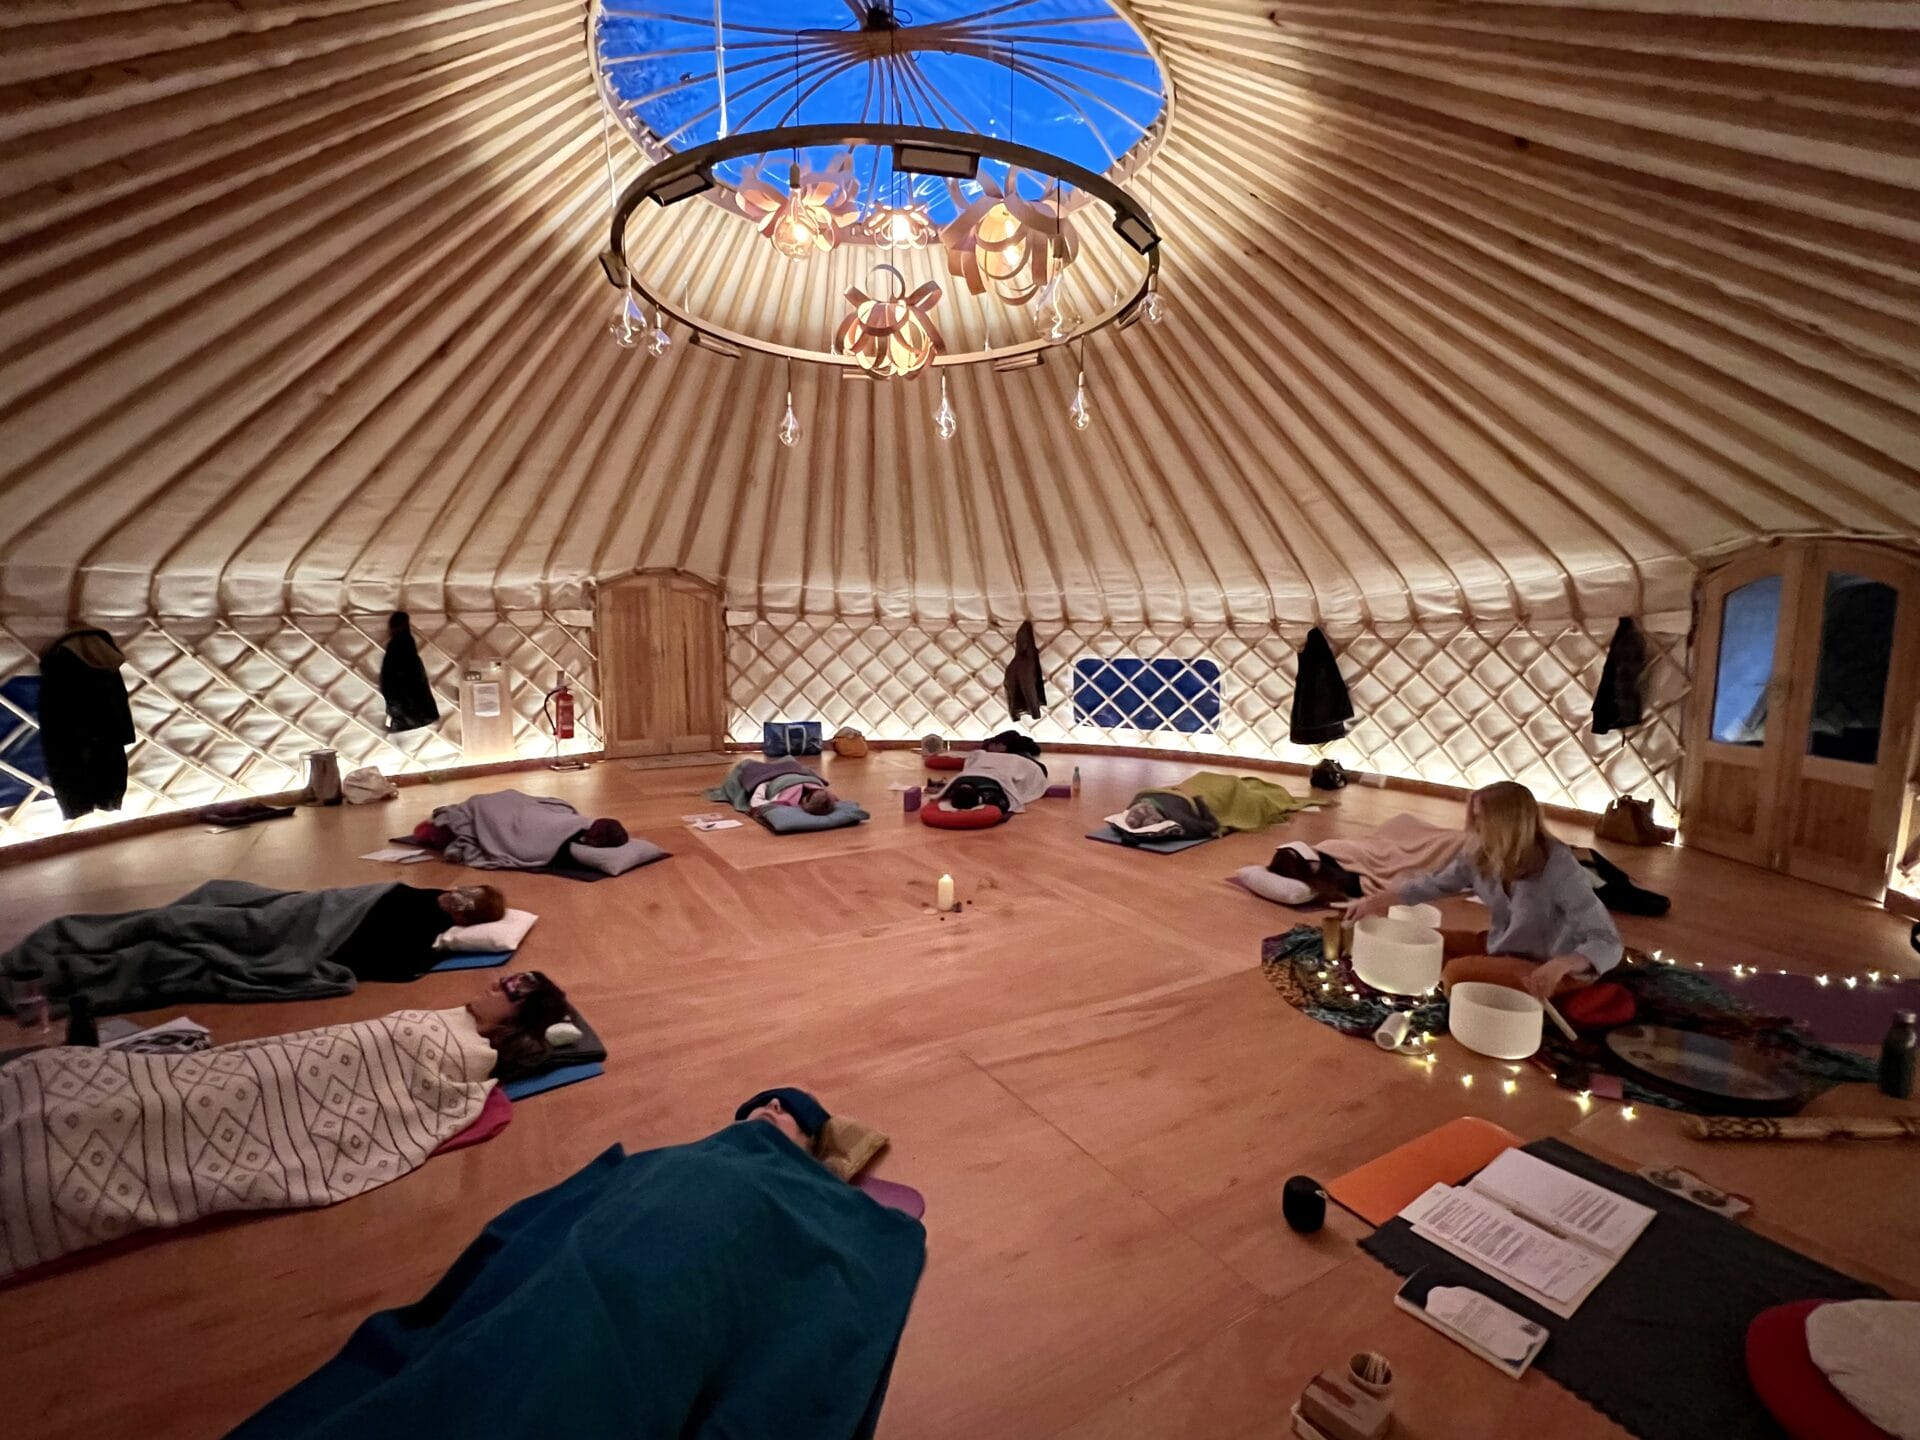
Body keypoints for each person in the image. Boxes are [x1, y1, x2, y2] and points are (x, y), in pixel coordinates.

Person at [1345, 781, 1622, 999]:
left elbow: (1607, 941)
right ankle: (1481, 972)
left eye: (1482, 820)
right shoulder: (1483, 853)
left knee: (1455, 973)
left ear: (1508, 825)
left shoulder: (1558, 868)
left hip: (1545, 967)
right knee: (1418, 942)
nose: (1475, 828)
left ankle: (1481, 980)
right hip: (1502, 946)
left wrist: (1562, 965)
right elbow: (1437, 883)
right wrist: (1375, 901)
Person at [327, 883, 508, 984]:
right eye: (466, 891)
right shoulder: (433, 893)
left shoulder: (427, 927)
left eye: (464, 902)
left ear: (464, 920)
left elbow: (402, 966)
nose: (456, 896)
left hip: (338, 930)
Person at [466, 969, 570, 1079]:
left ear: (516, 1021)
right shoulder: (459, 1020)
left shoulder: (470, 1058)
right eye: (506, 979)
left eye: (509, 988)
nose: (495, 983)